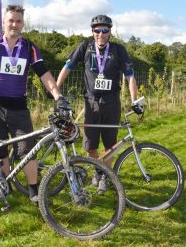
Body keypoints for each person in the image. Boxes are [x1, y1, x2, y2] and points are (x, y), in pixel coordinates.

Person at [0, 4, 67, 204]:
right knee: (1, 150)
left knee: (27, 149)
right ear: (4, 23)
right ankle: (6, 185)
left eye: (18, 21)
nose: (14, 24)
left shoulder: (29, 48)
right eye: (10, 20)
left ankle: (33, 190)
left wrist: (57, 95)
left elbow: (45, 75)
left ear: (23, 24)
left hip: (19, 107)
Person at [57, 14, 143, 194]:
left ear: (110, 32)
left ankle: (105, 176)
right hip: (91, 103)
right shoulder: (85, 47)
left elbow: (130, 76)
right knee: (90, 145)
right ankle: (98, 170)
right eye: (97, 30)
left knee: (110, 143)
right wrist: (56, 91)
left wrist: (135, 100)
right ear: (92, 32)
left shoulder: (119, 50)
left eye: (105, 30)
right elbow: (67, 67)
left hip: (112, 102)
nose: (101, 34)